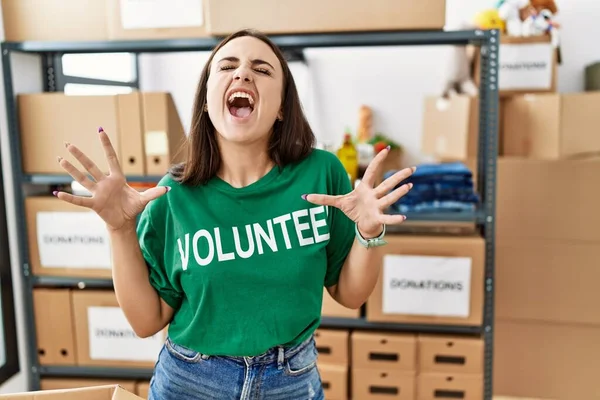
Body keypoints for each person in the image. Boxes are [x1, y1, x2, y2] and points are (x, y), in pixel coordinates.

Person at [54, 28, 415, 400]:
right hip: (190, 381)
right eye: (227, 66)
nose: (242, 74)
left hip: (291, 381)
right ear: (208, 101)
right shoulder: (172, 194)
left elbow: (350, 294)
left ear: (281, 107)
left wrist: (368, 232)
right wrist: (119, 230)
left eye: (262, 70)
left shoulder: (321, 174)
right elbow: (147, 322)